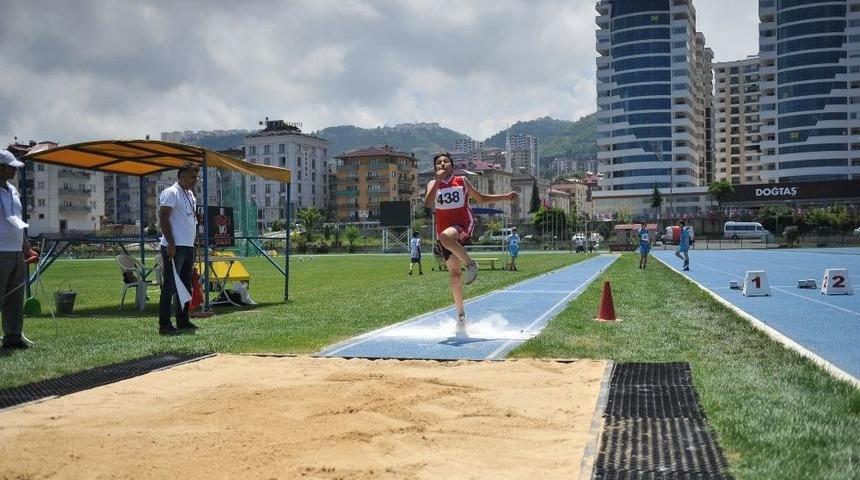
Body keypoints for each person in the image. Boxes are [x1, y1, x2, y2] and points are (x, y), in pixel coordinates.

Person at [425, 153, 518, 337]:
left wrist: (506, 197)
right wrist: (436, 182)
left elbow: (481, 198)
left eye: (445, 161)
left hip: (462, 225)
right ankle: (461, 317)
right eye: (438, 163)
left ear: (452, 165)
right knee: (455, 275)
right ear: (435, 168)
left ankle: (471, 264)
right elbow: (428, 203)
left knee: (445, 238)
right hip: (444, 230)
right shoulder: (432, 184)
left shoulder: (461, 181)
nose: (442, 164)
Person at [0, 150, 38, 349]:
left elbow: (17, 222)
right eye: (10, 166)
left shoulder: (14, 191)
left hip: (16, 251)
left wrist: (26, 248)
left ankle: (13, 337)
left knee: (15, 298)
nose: (14, 169)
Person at [158, 162, 200, 335]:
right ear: (181, 175)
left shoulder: (190, 195)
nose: (195, 180)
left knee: (185, 286)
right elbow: (164, 218)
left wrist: (194, 244)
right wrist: (171, 243)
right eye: (192, 176)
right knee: (170, 287)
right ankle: (164, 325)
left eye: (196, 177)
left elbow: (192, 221)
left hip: (187, 246)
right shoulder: (171, 192)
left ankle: (183, 320)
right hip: (174, 246)